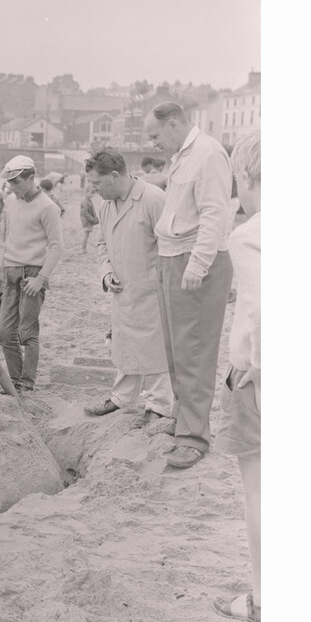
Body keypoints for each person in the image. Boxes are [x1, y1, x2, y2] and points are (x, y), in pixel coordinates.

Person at [144, 101, 236, 468]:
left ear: (174, 123)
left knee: (194, 350)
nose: (153, 144)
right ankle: (183, 419)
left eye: (155, 135)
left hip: (195, 260)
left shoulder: (208, 153)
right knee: (175, 347)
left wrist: (199, 264)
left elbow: (216, 212)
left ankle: (195, 437)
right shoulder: (181, 155)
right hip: (171, 256)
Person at [81, 149, 174, 429]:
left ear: (114, 175)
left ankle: (159, 406)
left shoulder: (154, 199)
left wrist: (161, 281)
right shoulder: (106, 206)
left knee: (156, 349)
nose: (93, 189)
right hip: (122, 291)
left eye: (97, 184)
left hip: (153, 290)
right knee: (124, 346)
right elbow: (102, 245)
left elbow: (172, 244)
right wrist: (106, 272)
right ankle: (122, 398)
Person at [212, 130, 261, 622]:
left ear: (245, 174)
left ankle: (264, 598)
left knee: (260, 493)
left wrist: (258, 365)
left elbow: (266, 306)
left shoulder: (249, 235)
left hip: (258, 378)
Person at [0, 154, 64, 394]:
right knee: (4, 332)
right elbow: (9, 236)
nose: (12, 187)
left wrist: (41, 278)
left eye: (17, 182)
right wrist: (4, 267)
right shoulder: (11, 202)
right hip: (12, 271)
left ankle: (27, 383)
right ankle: (15, 379)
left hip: (33, 273)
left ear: (31, 177)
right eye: (10, 182)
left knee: (27, 331)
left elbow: (57, 246)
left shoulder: (48, 207)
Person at [79, 186, 99, 252]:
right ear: (86, 192)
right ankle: (83, 249)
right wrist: (93, 220)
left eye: (93, 193)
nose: (92, 195)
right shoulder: (84, 201)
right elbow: (85, 213)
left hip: (88, 221)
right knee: (85, 236)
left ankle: (84, 249)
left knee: (86, 236)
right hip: (86, 222)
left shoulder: (88, 200)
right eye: (91, 193)